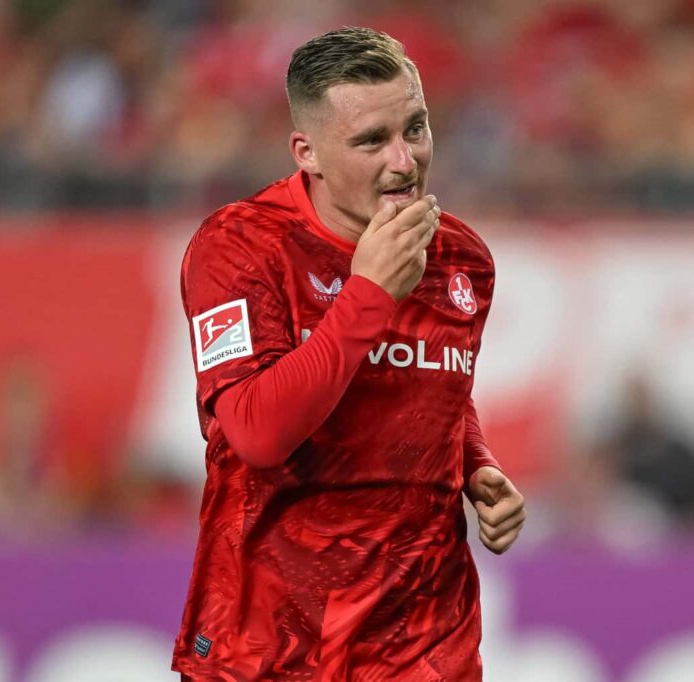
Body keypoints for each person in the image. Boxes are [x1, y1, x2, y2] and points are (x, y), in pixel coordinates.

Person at [171, 27, 526, 681]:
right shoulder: (240, 248)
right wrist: (370, 295)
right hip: (270, 648)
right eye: (371, 141)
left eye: (415, 128)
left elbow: (431, 377)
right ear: (307, 152)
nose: (405, 161)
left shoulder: (462, 259)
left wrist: (475, 463)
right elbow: (255, 432)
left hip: (425, 648)